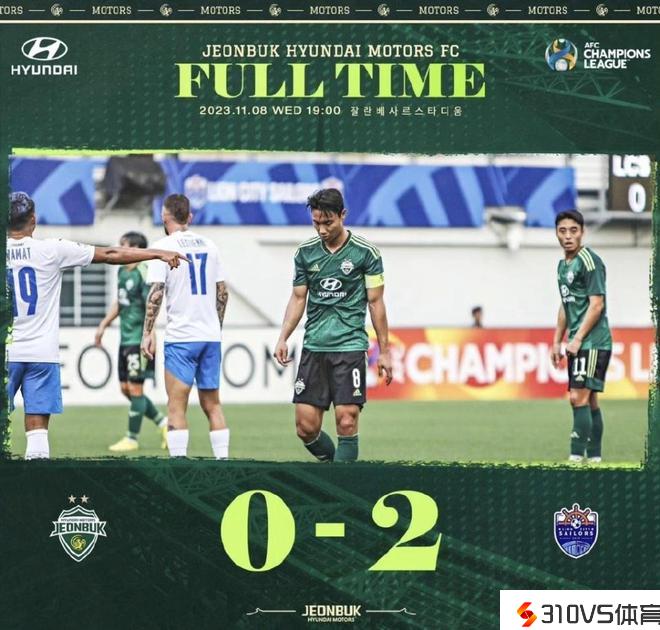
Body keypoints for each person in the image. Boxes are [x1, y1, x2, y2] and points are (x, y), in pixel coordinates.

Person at [6, 192, 187, 460]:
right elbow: (110, 253)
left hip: (6, 355)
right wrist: (157, 253)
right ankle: (37, 482)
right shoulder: (52, 249)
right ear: (33, 219)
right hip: (42, 356)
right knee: (38, 430)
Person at [274, 188, 393, 463]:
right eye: (316, 223)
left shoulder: (366, 253)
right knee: (305, 427)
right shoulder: (305, 253)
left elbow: (376, 303)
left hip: (349, 346)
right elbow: (298, 297)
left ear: (343, 215)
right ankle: (335, 472)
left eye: (328, 223)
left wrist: (385, 351)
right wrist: (283, 337)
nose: (322, 230)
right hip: (314, 347)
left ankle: (342, 483)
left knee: (347, 420)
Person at [141, 194, 230, 459]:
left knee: (176, 406)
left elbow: (156, 293)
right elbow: (222, 293)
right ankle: (223, 462)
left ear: (164, 217)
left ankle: (178, 465)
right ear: (189, 217)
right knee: (213, 405)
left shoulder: (162, 247)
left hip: (181, 337)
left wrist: (147, 332)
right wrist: (216, 327)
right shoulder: (210, 246)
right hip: (210, 337)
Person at [95, 231, 168, 452]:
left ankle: (132, 438)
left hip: (139, 340)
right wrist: (104, 324)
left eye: (123, 245)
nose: (119, 248)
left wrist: (150, 335)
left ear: (135, 249)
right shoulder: (121, 271)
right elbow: (121, 301)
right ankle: (164, 424)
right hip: (125, 339)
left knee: (135, 388)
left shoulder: (143, 272)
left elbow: (151, 305)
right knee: (125, 389)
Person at [551, 210, 611, 464]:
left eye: (573, 231)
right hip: (580, 342)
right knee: (589, 400)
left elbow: (597, 305)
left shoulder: (589, 261)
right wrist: (557, 340)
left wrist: (576, 339)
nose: (568, 236)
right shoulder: (562, 265)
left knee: (577, 397)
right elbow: (566, 304)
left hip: (593, 341)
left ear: (582, 232)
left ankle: (575, 457)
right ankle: (594, 458)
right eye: (562, 231)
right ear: (556, 233)